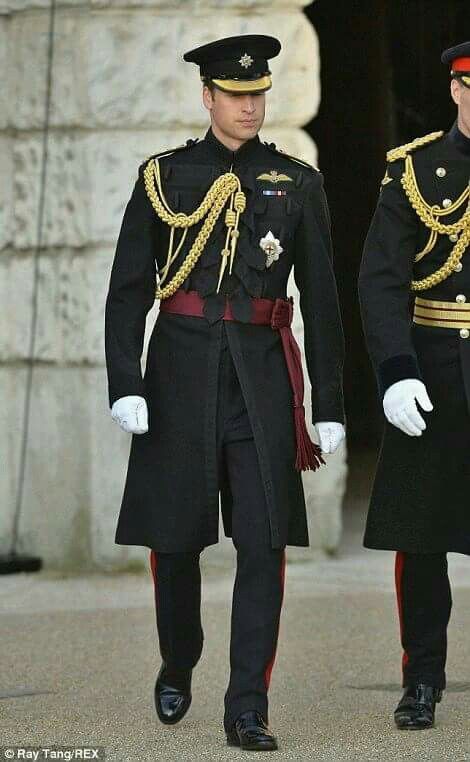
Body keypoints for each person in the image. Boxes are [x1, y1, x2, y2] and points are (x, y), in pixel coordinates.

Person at [105, 34, 345, 751]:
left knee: (263, 542)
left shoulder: (295, 182)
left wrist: (328, 402)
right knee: (174, 542)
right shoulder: (164, 177)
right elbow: (126, 293)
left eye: (259, 94)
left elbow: (323, 300)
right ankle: (179, 657)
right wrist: (126, 382)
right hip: (178, 372)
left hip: (261, 375)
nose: (250, 105)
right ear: (208, 96)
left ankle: (248, 705)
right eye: (236, 95)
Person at [358, 41, 470, 730]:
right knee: (425, 540)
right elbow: (380, 281)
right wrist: (396, 370)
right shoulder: (416, 171)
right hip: (435, 365)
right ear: (460, 89)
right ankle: (422, 679)